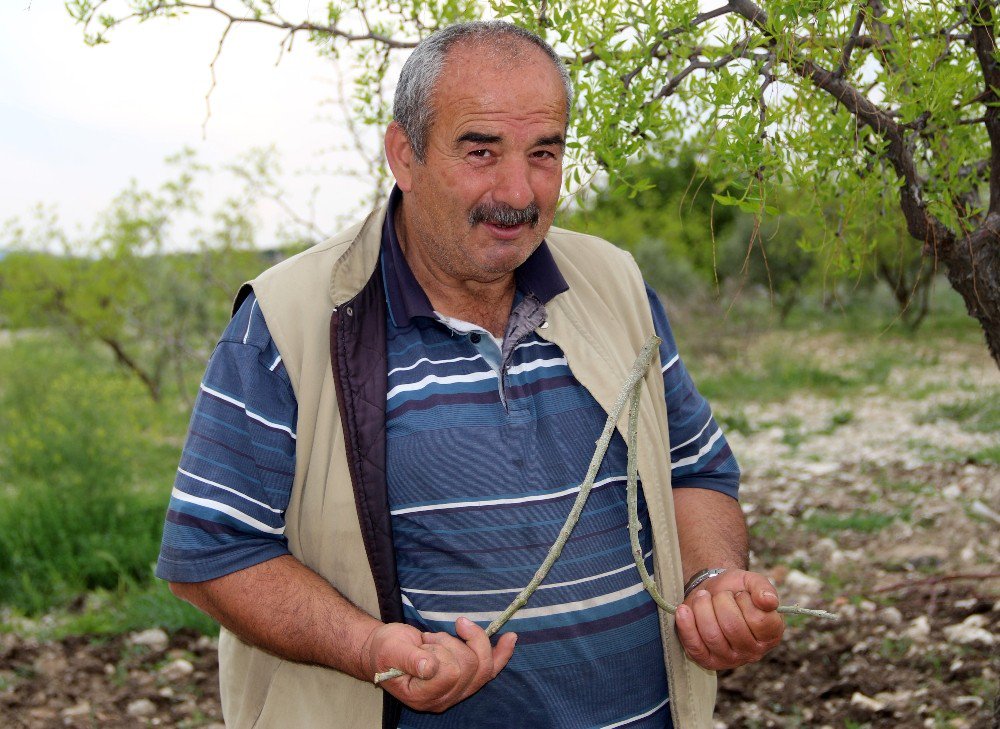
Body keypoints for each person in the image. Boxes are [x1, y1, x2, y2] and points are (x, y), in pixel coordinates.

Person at [156, 20, 784, 729]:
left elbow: (694, 471)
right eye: (480, 150)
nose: (517, 191)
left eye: (543, 153)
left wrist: (711, 581)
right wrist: (370, 648)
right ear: (404, 153)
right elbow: (210, 553)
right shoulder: (290, 318)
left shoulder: (613, 283)